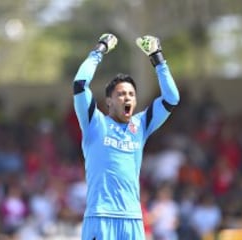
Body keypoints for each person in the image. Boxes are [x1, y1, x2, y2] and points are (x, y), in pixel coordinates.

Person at [72, 33, 180, 239]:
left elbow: (171, 98)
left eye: (131, 94)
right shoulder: (95, 123)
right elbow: (79, 84)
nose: (127, 97)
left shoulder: (141, 124)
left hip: (133, 219)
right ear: (109, 101)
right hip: (100, 216)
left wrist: (157, 57)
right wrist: (99, 50)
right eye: (121, 94)